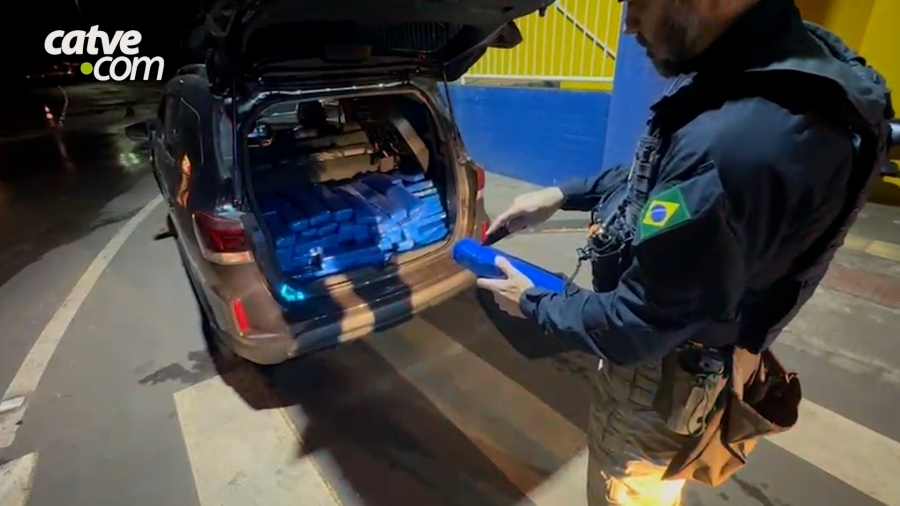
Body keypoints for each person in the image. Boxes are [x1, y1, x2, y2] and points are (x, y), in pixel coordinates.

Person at [477, 0, 894, 505]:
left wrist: (534, 302)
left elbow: (635, 325)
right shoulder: (790, 70)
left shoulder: (739, 141)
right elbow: (667, 179)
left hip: (661, 377)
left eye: (640, 2)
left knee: (628, 492)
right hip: (701, 350)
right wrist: (564, 194)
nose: (628, 24)